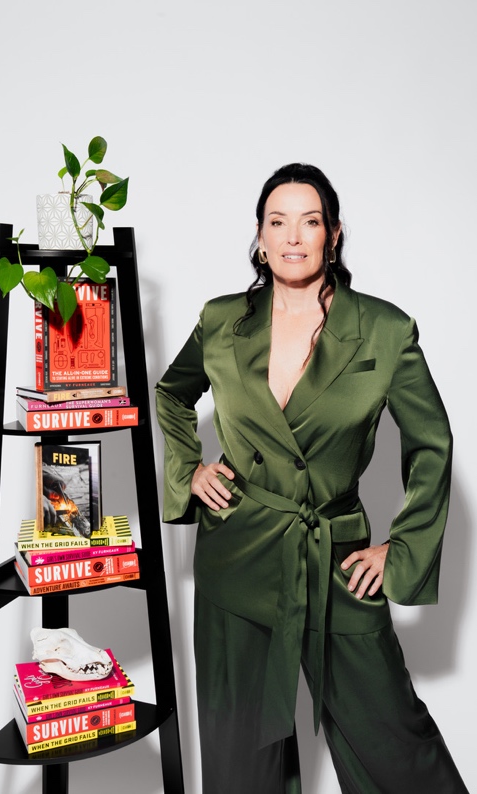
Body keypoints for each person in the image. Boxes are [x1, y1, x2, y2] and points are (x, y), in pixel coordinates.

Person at [155, 164, 469, 794]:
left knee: (395, 744)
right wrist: (189, 471)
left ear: (334, 234)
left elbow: (432, 444)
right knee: (239, 763)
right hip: (236, 558)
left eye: (310, 221)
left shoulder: (384, 329)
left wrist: (401, 548)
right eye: (278, 222)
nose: (293, 237)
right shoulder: (221, 321)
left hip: (335, 559)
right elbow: (171, 393)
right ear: (260, 236)